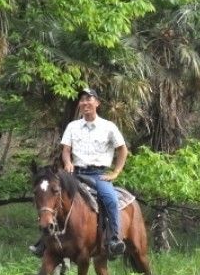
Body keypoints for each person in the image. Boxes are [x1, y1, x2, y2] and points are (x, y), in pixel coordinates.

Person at [30, 88, 128, 257]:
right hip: (75, 172)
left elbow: (123, 150)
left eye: (88, 99)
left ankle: (113, 239)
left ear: (97, 103)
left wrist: (116, 172)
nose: (84, 103)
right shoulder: (73, 126)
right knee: (50, 195)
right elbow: (66, 150)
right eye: (82, 100)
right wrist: (67, 162)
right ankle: (44, 241)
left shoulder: (108, 127)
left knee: (110, 199)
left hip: (98, 174)